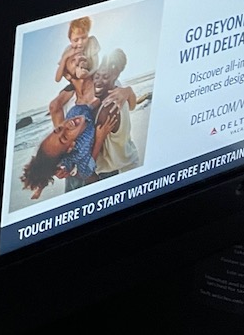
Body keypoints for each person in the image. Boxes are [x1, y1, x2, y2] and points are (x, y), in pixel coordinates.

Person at [19, 83, 118, 201]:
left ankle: (41, 185)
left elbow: (90, 107)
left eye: (59, 129)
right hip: (77, 167)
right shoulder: (81, 150)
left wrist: (101, 96)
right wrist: (100, 138)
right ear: (71, 146)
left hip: (64, 160)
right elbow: (88, 171)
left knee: (51, 167)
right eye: (64, 137)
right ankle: (42, 185)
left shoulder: (74, 113)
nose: (67, 125)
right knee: (77, 173)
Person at [91, 48, 149, 180]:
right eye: (97, 75)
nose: (98, 80)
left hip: (110, 169)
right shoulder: (117, 86)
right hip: (129, 158)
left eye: (105, 76)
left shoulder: (107, 109)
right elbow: (133, 106)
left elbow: (90, 156)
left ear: (114, 74)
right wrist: (128, 90)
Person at [54, 15, 101, 86]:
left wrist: (88, 75)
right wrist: (65, 58)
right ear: (70, 40)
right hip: (76, 82)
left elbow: (95, 66)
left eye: (84, 38)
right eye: (76, 40)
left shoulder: (91, 42)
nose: (80, 42)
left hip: (91, 76)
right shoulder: (69, 50)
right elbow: (57, 79)